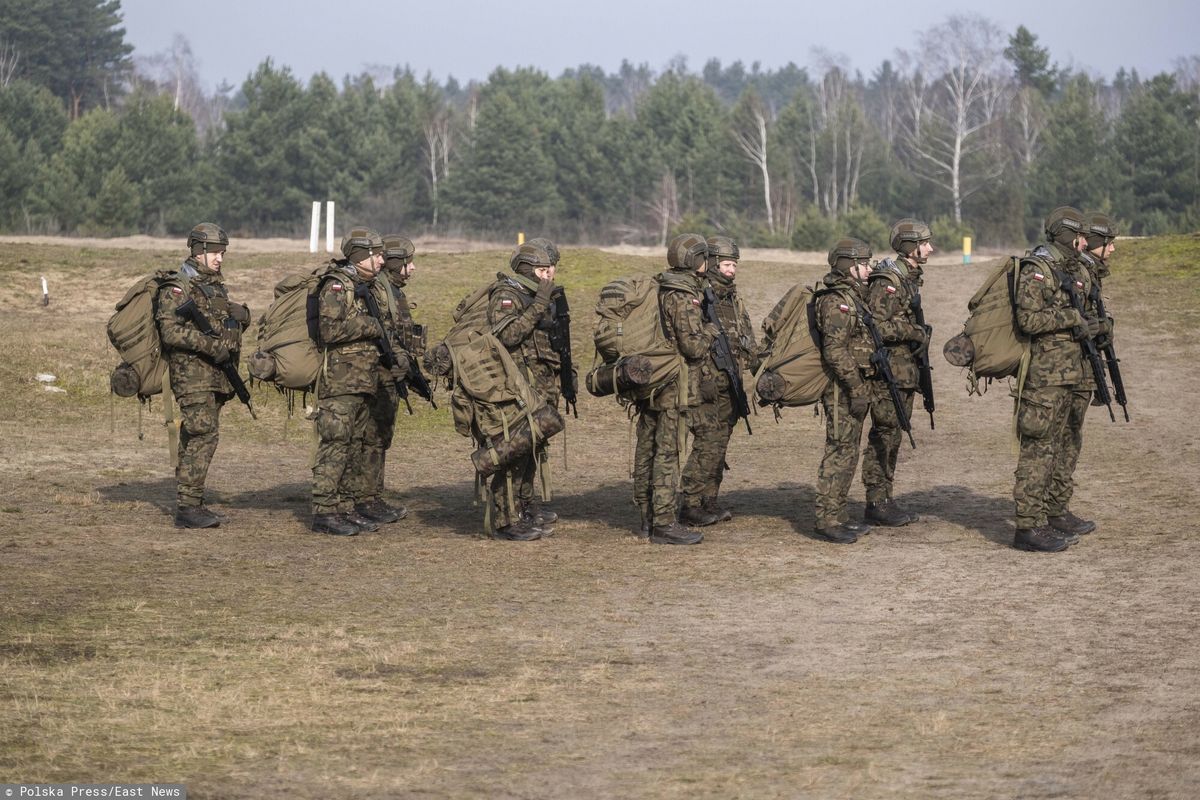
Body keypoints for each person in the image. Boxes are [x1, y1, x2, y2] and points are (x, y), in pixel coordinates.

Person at [311, 227, 406, 536]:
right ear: (361, 256)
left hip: (363, 381)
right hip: (341, 382)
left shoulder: (364, 286)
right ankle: (325, 511)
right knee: (335, 445)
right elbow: (330, 331)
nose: (381, 261)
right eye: (376, 255)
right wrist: (372, 325)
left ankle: (348, 507)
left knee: (353, 445)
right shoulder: (338, 286)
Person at [155, 223, 250, 529]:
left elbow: (220, 324)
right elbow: (170, 332)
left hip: (214, 375)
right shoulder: (178, 287)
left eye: (223, 253)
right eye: (215, 253)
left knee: (196, 436)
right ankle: (188, 507)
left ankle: (190, 500)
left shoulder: (214, 286)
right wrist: (211, 346)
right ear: (199, 251)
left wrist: (240, 319)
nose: (221, 258)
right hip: (192, 376)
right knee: (203, 436)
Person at [1011, 206, 1093, 552]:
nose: (1085, 242)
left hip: (1066, 375)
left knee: (1056, 446)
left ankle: (1047, 515)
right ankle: (1028, 527)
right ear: (1066, 234)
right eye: (1080, 235)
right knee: (1037, 450)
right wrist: (1071, 316)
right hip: (1043, 379)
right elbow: (1028, 321)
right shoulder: (1038, 270)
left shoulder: (1065, 267)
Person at [631, 233, 719, 545]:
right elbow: (693, 347)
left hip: (650, 381)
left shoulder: (659, 288)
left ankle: (646, 515)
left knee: (647, 448)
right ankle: (665, 522)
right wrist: (710, 330)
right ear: (697, 261)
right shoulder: (685, 296)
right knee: (667, 453)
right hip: (673, 386)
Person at [485, 240, 567, 540]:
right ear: (527, 270)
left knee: (532, 451)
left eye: (552, 269)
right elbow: (507, 336)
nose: (551, 275)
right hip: (514, 392)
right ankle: (506, 520)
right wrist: (539, 304)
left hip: (536, 390)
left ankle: (523, 508)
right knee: (513, 453)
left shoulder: (532, 295)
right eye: (544, 270)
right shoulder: (507, 295)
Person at [1044, 211, 1119, 539]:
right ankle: (1052, 509)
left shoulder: (1086, 271)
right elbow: (1078, 320)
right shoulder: (1080, 272)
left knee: (1069, 437)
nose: (1113, 249)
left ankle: (1057, 507)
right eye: (1110, 243)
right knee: (1062, 438)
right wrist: (1098, 326)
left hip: (1079, 365)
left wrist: (1103, 325)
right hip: (1067, 367)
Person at [679, 235, 757, 526]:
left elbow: (745, 338)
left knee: (720, 444)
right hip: (705, 386)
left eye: (734, 264)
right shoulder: (699, 297)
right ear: (710, 263)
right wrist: (704, 379)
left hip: (730, 385)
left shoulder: (732, 299)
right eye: (726, 264)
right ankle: (689, 503)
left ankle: (708, 499)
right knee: (707, 444)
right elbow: (691, 343)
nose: (731, 270)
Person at [860, 219, 934, 527]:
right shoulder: (889, 280)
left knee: (893, 435)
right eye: (925, 242)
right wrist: (913, 332)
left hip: (903, 371)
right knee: (885, 433)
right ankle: (876, 500)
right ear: (910, 246)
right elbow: (875, 324)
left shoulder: (908, 277)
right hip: (888, 372)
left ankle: (884, 497)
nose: (931, 248)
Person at [351, 234, 423, 525]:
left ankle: (370, 496)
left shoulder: (392, 290)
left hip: (389, 375)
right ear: (396, 263)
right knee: (370, 438)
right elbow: (381, 332)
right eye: (408, 262)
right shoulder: (379, 291)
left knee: (379, 437)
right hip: (376, 375)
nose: (413, 268)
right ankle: (364, 498)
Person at [812, 238, 877, 544]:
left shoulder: (854, 297)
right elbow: (834, 351)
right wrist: (856, 386)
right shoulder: (835, 301)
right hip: (841, 389)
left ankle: (839, 514)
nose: (870, 268)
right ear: (849, 267)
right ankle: (827, 519)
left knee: (849, 451)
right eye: (864, 263)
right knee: (839, 451)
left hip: (855, 387)